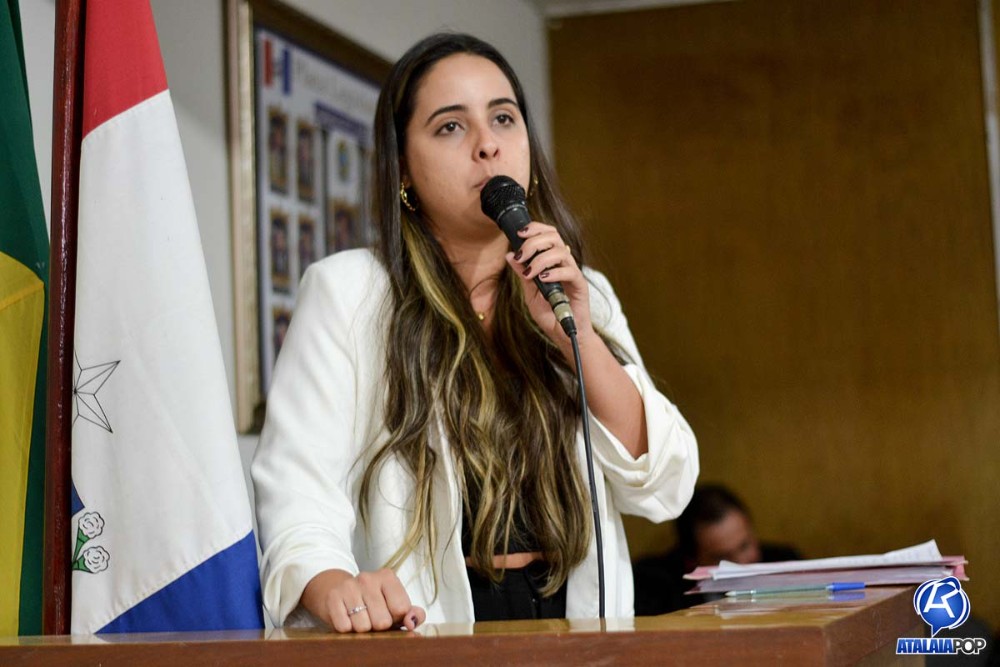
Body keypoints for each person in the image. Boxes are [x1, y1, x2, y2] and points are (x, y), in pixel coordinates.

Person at [251, 32, 699, 633]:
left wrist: (578, 340)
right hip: (435, 631)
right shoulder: (350, 292)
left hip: (574, 625)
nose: (488, 145)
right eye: (450, 127)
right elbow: (297, 491)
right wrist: (333, 585)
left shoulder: (581, 290)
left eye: (504, 118)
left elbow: (666, 485)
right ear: (403, 168)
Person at [633, 484, 800, 616]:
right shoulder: (656, 588)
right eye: (722, 558)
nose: (740, 564)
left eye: (744, 546)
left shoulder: (787, 566)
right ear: (692, 559)